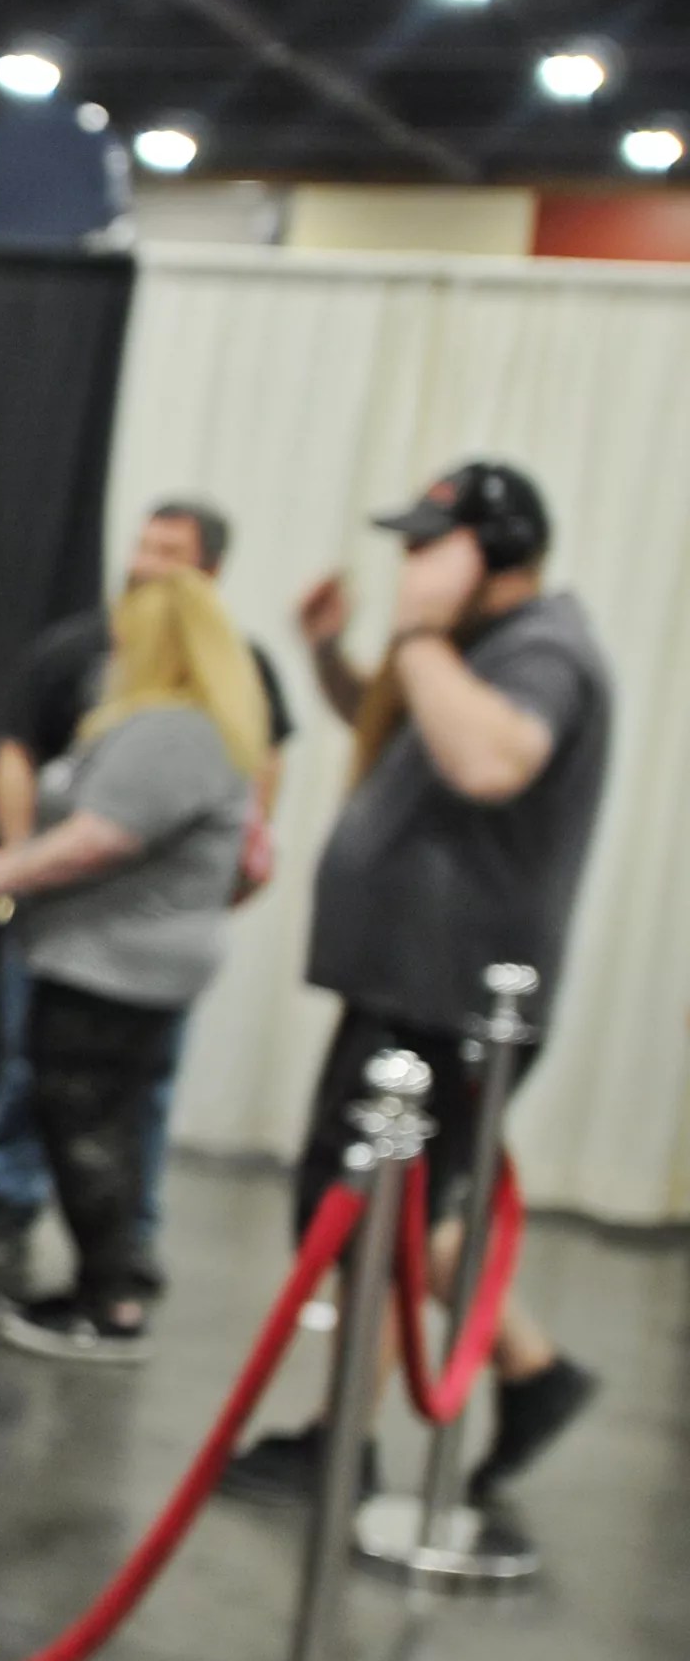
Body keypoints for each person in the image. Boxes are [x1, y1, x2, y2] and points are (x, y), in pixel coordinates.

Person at [223, 462, 610, 1504]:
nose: (411, 567)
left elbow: (491, 762)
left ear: (500, 553)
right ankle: (531, 1373)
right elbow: (405, 730)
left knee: (374, 1212)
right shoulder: (481, 650)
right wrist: (334, 654)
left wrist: (422, 634)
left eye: (432, 547)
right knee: (398, 1207)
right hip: (413, 990)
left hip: (447, 1000)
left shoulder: (544, 650)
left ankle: (343, 1446)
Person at [0, 572, 267, 1360]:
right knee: (101, 1126)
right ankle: (110, 1282)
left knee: (85, 1127)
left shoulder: (172, 729)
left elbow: (100, 837)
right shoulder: (182, 726)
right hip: (119, 961)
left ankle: (111, 1300)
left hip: (112, 969)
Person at [0, 499, 293, 1281]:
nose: (145, 567)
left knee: (96, 1109)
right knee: (75, 1098)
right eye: (143, 546)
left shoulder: (179, 721)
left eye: (168, 553)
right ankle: (74, 1244)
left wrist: (3, 872)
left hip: (114, 951)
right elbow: (19, 754)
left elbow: (108, 832)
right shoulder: (83, 660)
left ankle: (115, 1277)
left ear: (208, 574)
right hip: (89, 935)